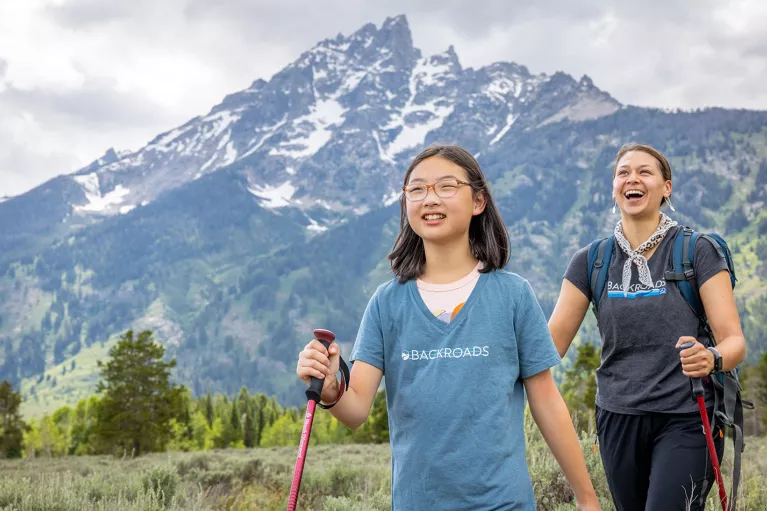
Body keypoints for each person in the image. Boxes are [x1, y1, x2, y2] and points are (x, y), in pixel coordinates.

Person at [296, 144, 601, 510]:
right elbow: (356, 409)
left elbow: (547, 402)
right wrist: (330, 389)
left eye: (446, 186)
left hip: (503, 503)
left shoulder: (513, 295)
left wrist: (587, 498)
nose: (429, 199)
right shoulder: (386, 303)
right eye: (417, 189)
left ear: (478, 201)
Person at [548, 143, 747, 510]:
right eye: (623, 172)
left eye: (644, 172)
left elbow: (734, 341)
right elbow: (547, 348)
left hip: (687, 416)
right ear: (614, 187)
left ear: (666, 187)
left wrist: (712, 358)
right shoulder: (590, 261)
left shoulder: (697, 251)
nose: (632, 179)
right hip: (617, 418)